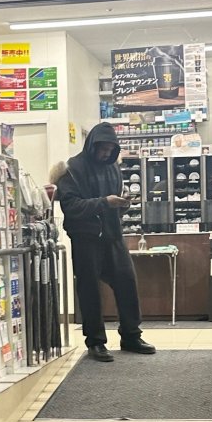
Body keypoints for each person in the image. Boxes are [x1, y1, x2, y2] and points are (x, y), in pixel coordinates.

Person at [51, 121, 155, 362]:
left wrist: (122, 204)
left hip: (113, 235)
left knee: (127, 282)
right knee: (89, 290)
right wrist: (105, 202)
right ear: (92, 145)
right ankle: (95, 341)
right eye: (103, 149)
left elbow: (113, 206)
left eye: (111, 150)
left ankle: (131, 335)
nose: (106, 154)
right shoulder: (71, 169)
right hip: (85, 237)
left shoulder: (112, 168)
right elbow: (72, 207)